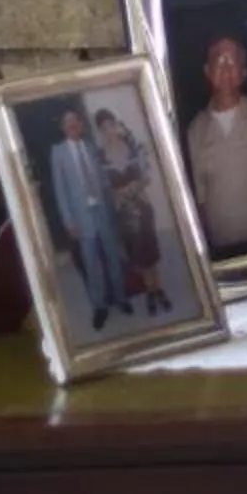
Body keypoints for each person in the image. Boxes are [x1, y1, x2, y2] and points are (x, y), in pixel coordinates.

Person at [183, 34, 247, 250]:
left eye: (233, 60)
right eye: (219, 59)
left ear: (243, 73)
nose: (226, 66)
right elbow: (200, 198)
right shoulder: (195, 129)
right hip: (221, 248)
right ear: (207, 71)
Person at [49, 106, 129, 329]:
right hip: (81, 217)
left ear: (81, 125)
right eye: (68, 123)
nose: (73, 125)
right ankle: (99, 306)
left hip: (102, 211)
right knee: (91, 262)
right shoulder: (58, 152)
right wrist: (68, 221)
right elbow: (60, 190)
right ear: (63, 128)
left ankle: (120, 298)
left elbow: (104, 179)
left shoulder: (93, 147)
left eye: (76, 121)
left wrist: (114, 199)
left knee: (112, 255)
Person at [95, 105, 171, 315]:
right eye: (104, 128)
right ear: (100, 131)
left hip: (142, 205)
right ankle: (150, 292)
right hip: (124, 213)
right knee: (139, 255)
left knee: (151, 252)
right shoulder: (99, 157)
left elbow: (146, 175)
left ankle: (159, 289)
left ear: (116, 125)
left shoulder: (133, 145)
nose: (109, 130)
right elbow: (104, 188)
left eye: (111, 125)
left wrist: (133, 187)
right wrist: (116, 194)